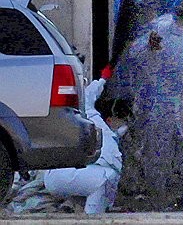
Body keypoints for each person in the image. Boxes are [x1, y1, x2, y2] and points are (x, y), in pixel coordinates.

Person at [119, 0, 183, 211]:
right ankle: (158, 205)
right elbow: (136, 56)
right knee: (157, 156)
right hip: (161, 100)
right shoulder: (160, 32)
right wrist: (150, 48)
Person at [41, 78, 132, 214]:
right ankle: (93, 219)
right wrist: (102, 80)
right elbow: (87, 96)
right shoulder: (92, 119)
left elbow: (118, 134)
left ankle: (89, 214)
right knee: (106, 178)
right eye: (122, 119)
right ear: (109, 119)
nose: (124, 123)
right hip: (60, 174)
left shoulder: (110, 136)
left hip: (71, 173)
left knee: (104, 180)